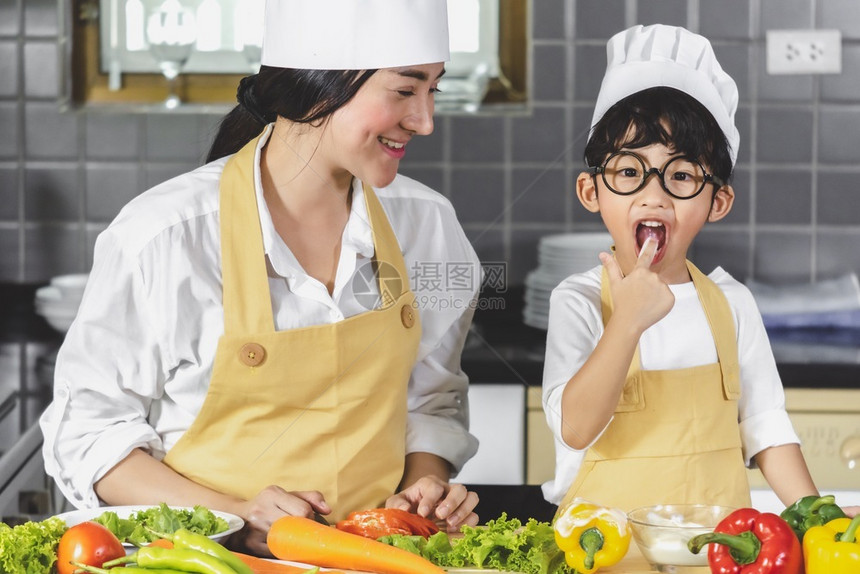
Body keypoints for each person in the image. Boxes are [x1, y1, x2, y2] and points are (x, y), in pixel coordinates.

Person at [40, 0, 482, 556]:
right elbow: (88, 437)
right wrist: (234, 513)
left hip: (377, 561)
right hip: (205, 561)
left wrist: (424, 485)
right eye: (404, 90)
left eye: (433, 90)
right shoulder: (167, 235)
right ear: (320, 88)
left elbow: (429, 400)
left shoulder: (428, 225)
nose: (425, 121)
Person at [541, 24, 839, 515]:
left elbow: (765, 425)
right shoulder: (577, 300)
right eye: (629, 172)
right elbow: (575, 429)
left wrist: (815, 519)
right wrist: (628, 321)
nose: (653, 195)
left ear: (717, 201)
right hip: (604, 558)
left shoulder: (731, 303)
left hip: (714, 555)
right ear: (592, 192)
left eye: (681, 175)